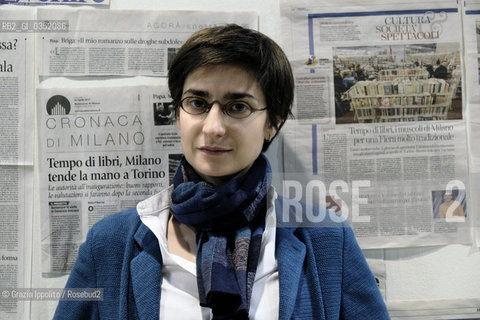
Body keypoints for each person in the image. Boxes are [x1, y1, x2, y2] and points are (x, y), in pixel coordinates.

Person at [53, 24, 389, 319]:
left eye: (238, 107)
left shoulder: (327, 238)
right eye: (197, 103)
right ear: (178, 113)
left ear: (272, 123)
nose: (213, 127)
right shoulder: (109, 243)